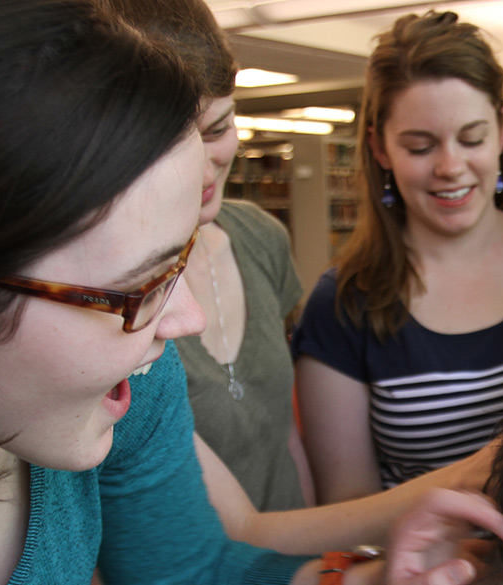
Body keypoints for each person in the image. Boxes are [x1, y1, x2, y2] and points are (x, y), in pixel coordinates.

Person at [0, 1, 503, 584]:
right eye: (136, 288)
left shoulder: (122, 389)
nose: (187, 318)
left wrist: (375, 573)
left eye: (180, 266)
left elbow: (197, 570)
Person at [292, 10, 503, 504]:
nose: (450, 167)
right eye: (419, 146)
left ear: (501, 129)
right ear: (380, 148)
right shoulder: (341, 306)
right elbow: (349, 514)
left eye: (471, 138)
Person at [107, 0, 310, 513]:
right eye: (166, 142)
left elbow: (285, 432)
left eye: (217, 130)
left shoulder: (261, 238)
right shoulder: (103, 284)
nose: (201, 168)